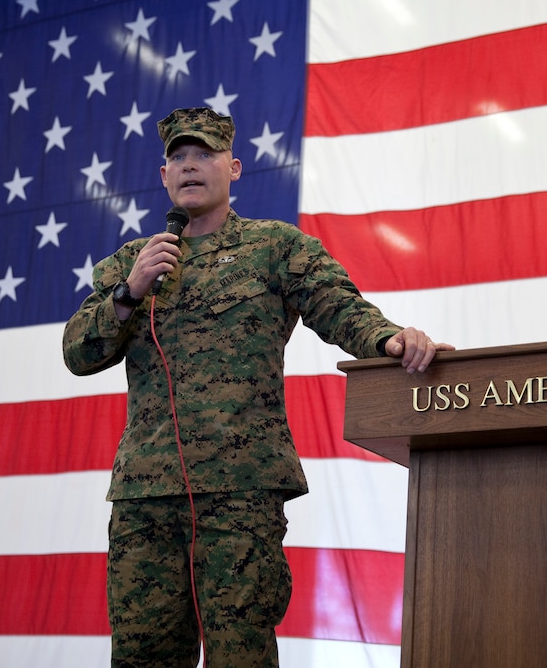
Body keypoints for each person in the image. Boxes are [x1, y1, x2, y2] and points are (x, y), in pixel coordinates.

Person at [62, 106, 452, 667]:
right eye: (179, 158)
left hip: (240, 493)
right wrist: (128, 292)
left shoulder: (275, 247)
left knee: (239, 655)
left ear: (235, 168)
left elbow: (339, 308)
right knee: (142, 657)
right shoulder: (134, 261)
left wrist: (389, 340)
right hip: (147, 494)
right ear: (163, 175)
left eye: (204, 155)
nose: (190, 166)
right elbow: (79, 353)